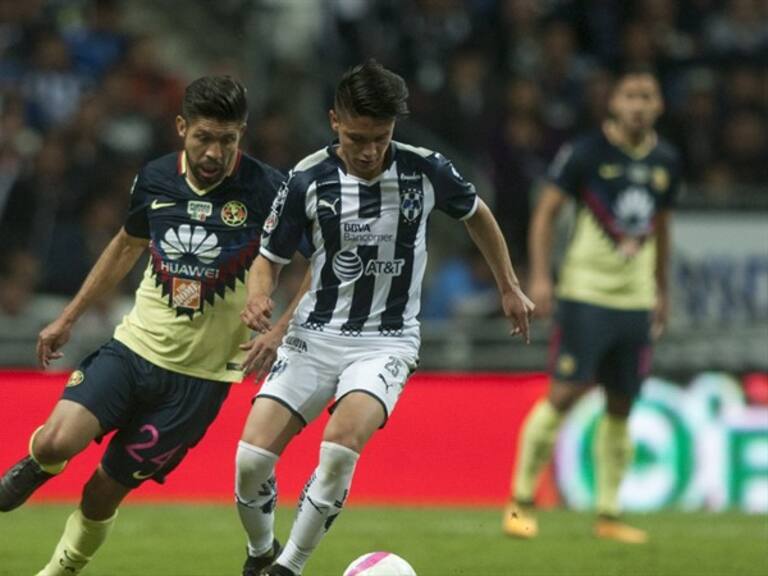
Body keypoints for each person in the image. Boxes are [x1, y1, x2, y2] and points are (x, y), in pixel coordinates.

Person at [235, 59, 535, 576]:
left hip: (387, 341)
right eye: (357, 137)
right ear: (334, 121)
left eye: (381, 137)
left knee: (338, 449)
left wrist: (508, 285)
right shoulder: (308, 178)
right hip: (313, 336)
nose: (370, 151)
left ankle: (288, 567)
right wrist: (258, 298)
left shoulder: (426, 168)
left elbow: (477, 214)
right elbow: (270, 258)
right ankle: (261, 553)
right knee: (250, 462)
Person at [0, 76, 302, 575]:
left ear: (240, 136)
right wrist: (68, 317)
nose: (214, 152)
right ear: (181, 127)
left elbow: (317, 260)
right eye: (204, 136)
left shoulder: (270, 189)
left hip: (198, 384)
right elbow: (125, 245)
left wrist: (278, 328)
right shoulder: (156, 178)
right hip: (134, 349)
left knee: (103, 491)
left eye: (227, 140)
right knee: (56, 441)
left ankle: (59, 571)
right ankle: (39, 465)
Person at [502, 66, 681, 544]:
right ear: (614, 103)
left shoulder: (666, 159)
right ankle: (520, 502)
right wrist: (540, 276)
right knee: (563, 392)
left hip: (635, 300)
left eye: (647, 95)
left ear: (659, 104)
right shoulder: (585, 154)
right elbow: (545, 214)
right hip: (586, 294)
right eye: (630, 95)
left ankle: (609, 511)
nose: (639, 105)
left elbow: (661, 228)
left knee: (622, 403)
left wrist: (662, 290)